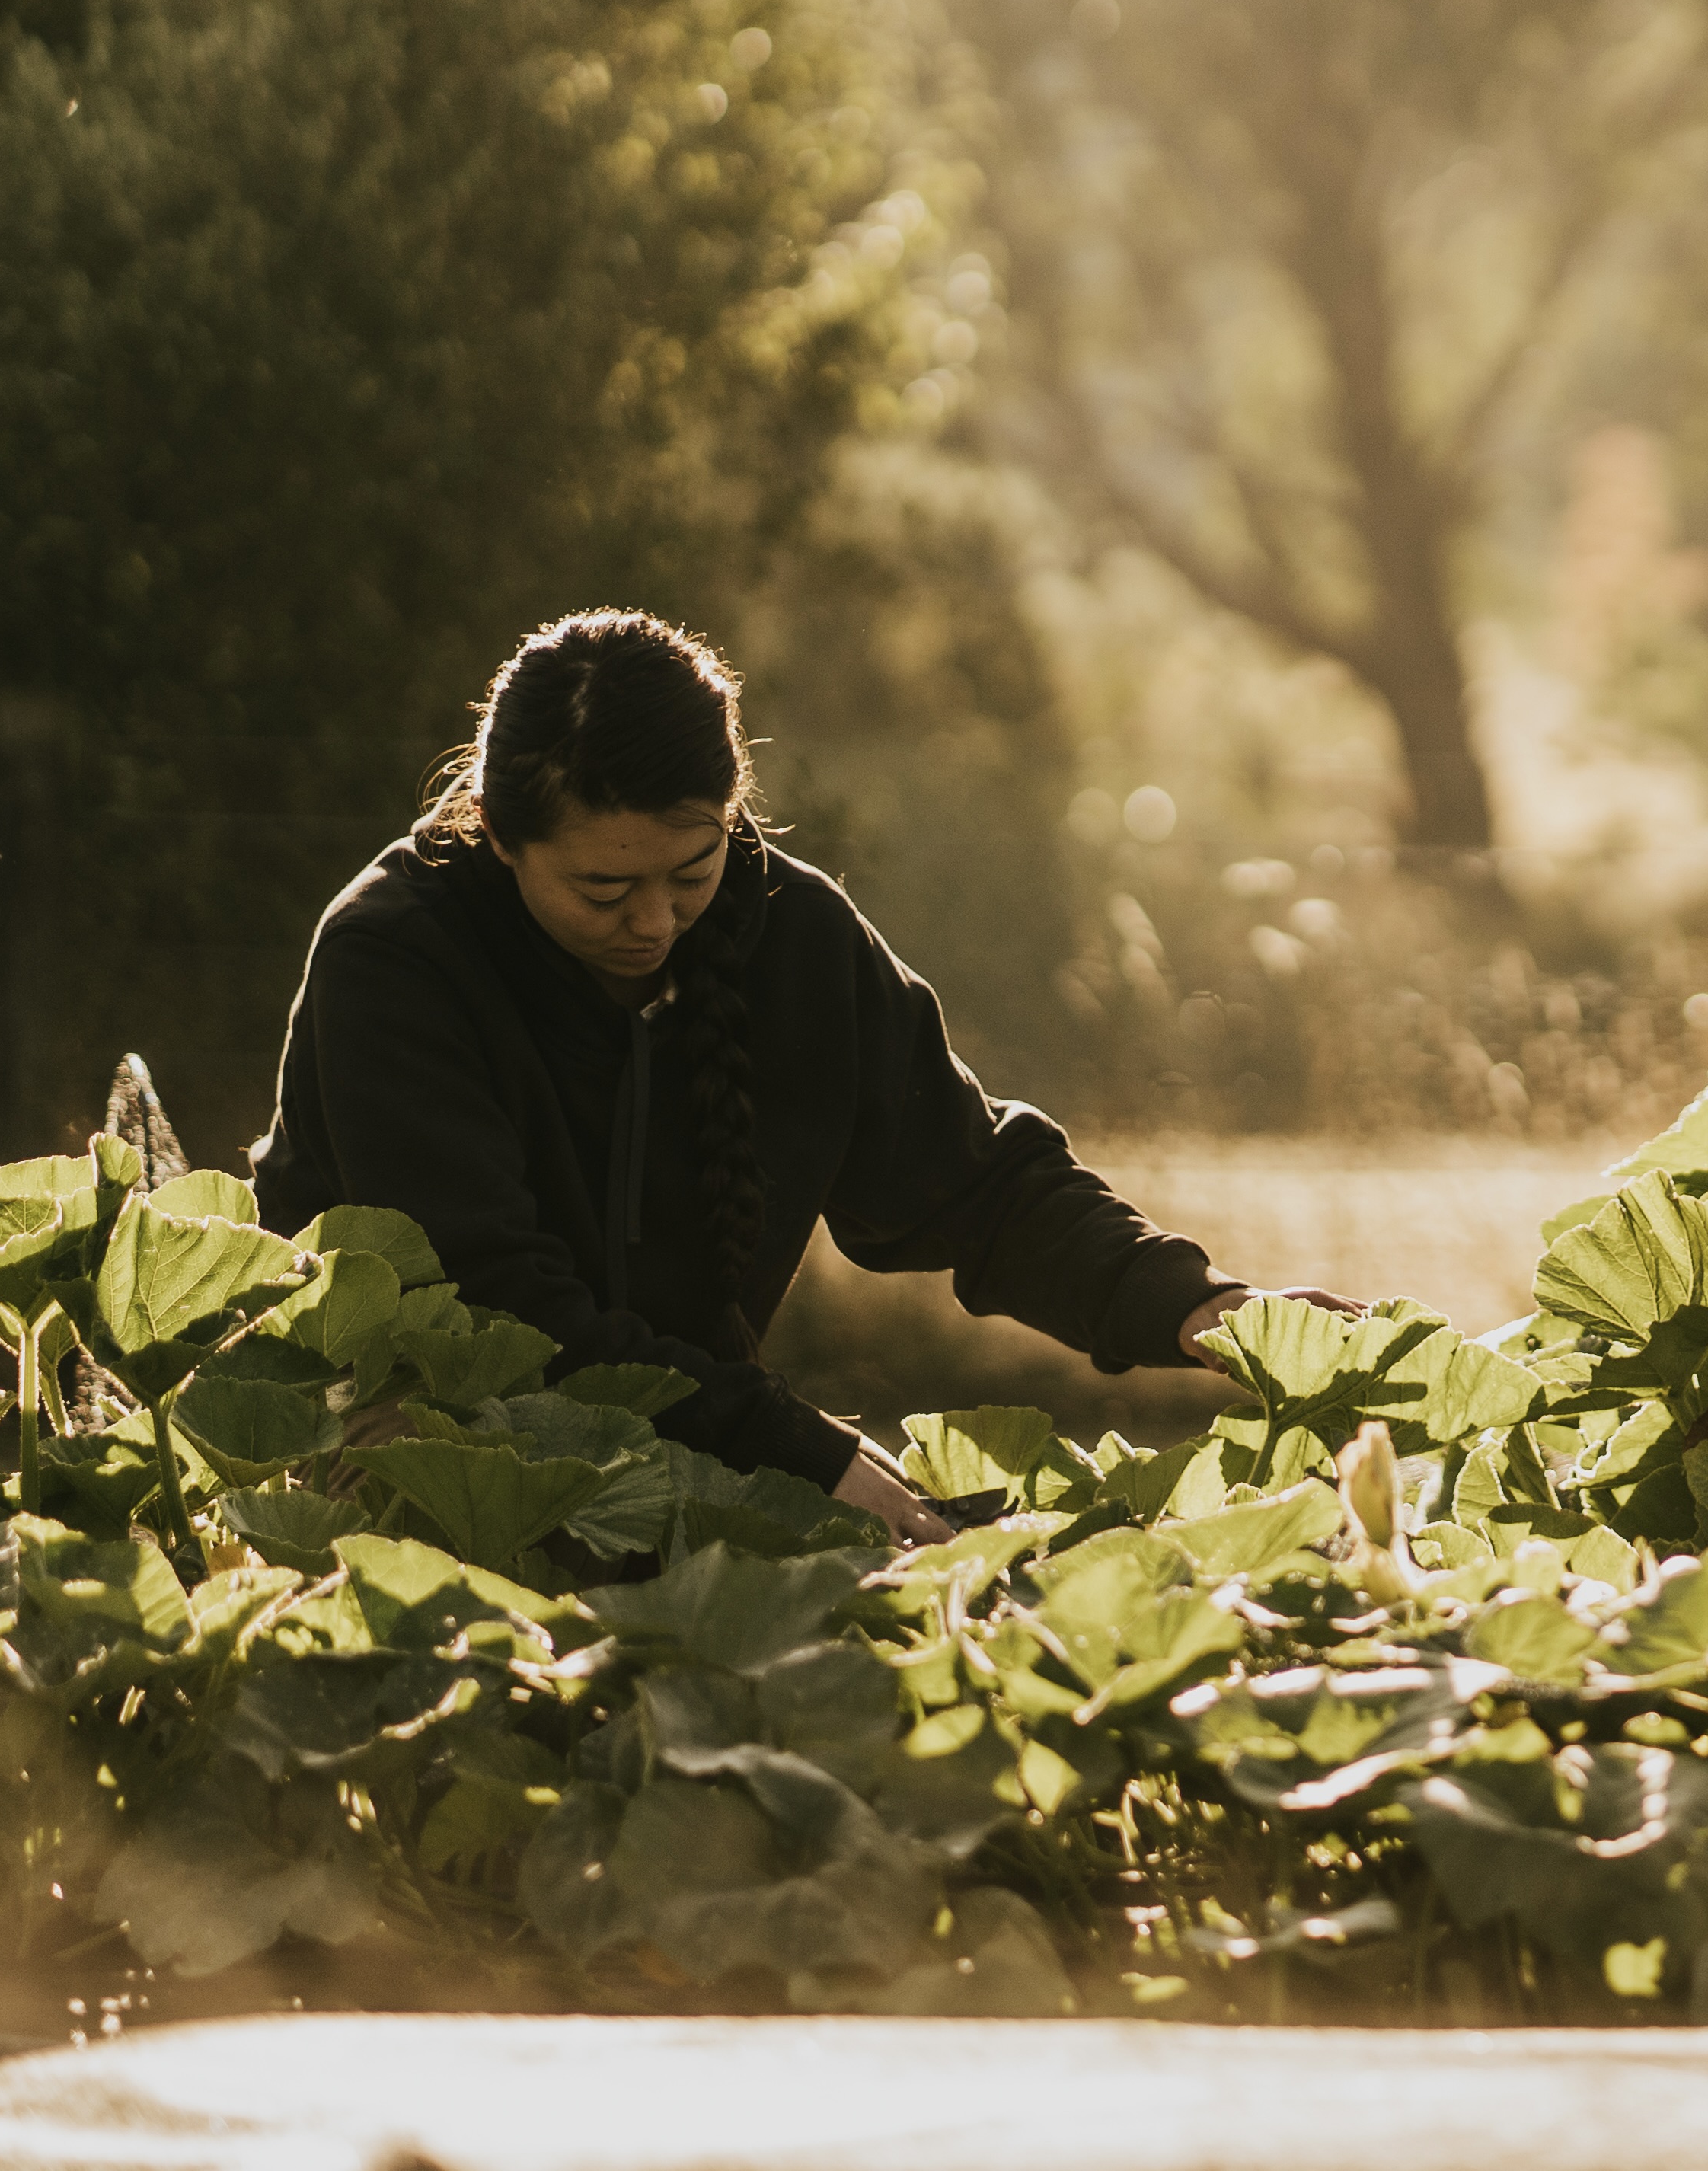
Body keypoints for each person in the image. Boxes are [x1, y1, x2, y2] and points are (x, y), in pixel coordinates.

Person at [249, 608, 1350, 1544]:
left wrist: (1198, 1307)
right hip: (416, 1434)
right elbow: (496, 1306)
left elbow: (975, 1183)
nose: (654, 923)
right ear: (497, 835)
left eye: (692, 872)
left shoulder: (794, 933)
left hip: (694, 1430)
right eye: (602, 891)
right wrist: (801, 1456)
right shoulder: (394, 959)